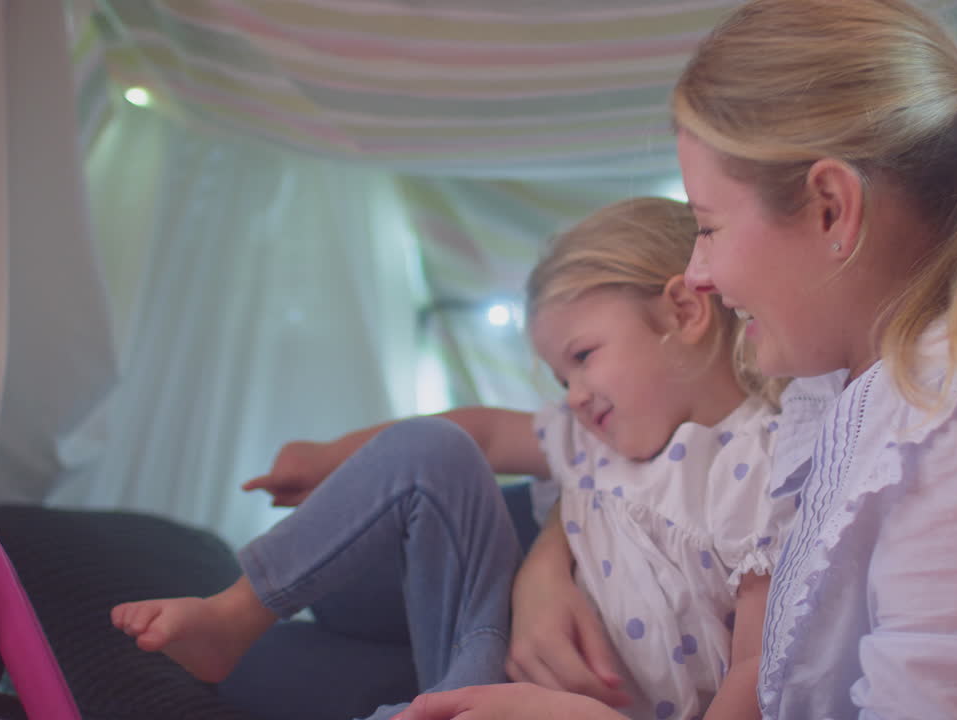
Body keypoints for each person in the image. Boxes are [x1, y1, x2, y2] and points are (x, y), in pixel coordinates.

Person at [397, 1, 957, 719]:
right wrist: (546, 565)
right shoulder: (833, 393)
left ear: (830, 208)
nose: (698, 274)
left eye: (708, 227)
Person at [111, 196, 801, 720]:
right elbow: (482, 433)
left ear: (683, 312)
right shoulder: (591, 441)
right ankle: (237, 613)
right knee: (434, 447)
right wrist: (330, 457)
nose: (574, 394)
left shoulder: (761, 461)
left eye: (583, 355)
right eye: (560, 377)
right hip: (478, 662)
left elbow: (753, 668)